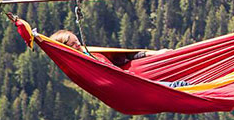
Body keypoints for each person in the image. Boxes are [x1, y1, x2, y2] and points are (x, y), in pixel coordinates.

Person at [50, 29, 185, 87]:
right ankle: (186, 88)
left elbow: (127, 55)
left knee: (169, 85)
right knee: (172, 88)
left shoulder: (91, 51)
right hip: (121, 85)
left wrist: (157, 53)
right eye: (73, 44)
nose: (77, 44)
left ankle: (188, 87)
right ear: (66, 48)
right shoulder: (78, 65)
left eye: (77, 40)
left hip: (127, 78)